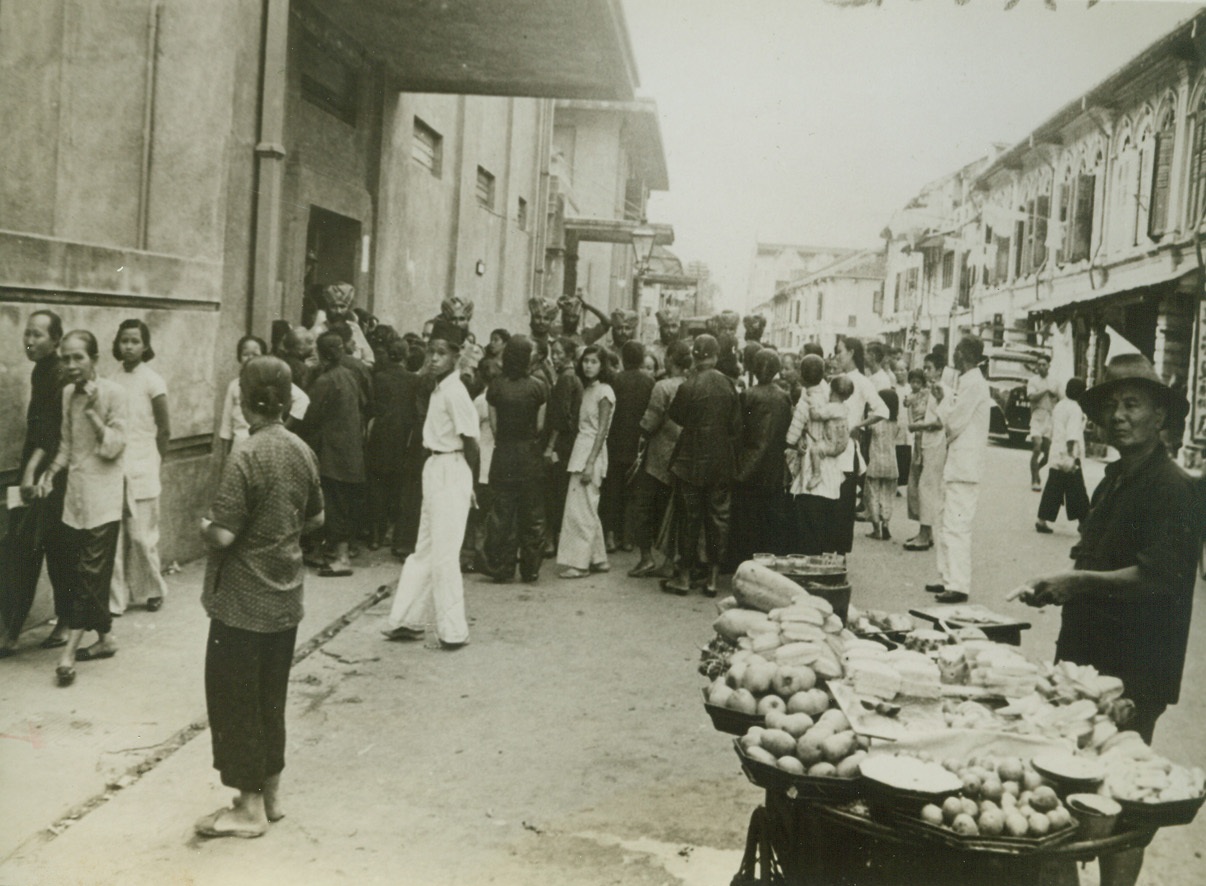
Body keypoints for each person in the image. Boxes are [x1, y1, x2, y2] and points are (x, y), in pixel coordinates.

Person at [1017, 353, 1198, 886]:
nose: (1118, 416)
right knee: (1076, 784)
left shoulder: (1175, 488)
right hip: (1086, 659)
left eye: (1132, 404)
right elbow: (1095, 559)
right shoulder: (1113, 479)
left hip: (1135, 668)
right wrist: (1060, 588)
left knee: (1120, 797)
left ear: (1161, 417)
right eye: (1111, 406)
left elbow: (1156, 579)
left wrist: (1076, 583)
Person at [195, 355, 324, 839]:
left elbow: (224, 536)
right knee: (271, 699)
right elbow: (315, 519)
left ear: (245, 404)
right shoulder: (301, 450)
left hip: (241, 604)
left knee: (235, 700)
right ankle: (270, 795)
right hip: (285, 598)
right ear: (289, 403)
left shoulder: (245, 455)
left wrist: (204, 526)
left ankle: (247, 810)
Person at [381, 320, 480, 648]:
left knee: (445, 554)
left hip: (453, 468)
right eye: (431, 352)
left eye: (442, 353)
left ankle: (452, 631)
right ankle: (405, 619)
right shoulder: (437, 388)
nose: (434, 359)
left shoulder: (456, 392)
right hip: (434, 468)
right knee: (424, 548)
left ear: (456, 356)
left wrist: (471, 483)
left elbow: (472, 442)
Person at [37, 330, 127, 687]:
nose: (71, 365)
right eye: (66, 358)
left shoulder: (115, 394)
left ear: (94, 359)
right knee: (81, 573)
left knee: (88, 576)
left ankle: (68, 654)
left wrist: (92, 413)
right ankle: (105, 639)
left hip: (104, 501)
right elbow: (66, 445)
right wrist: (50, 474)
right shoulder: (64, 395)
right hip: (75, 498)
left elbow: (113, 448)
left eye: (79, 358)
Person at [0, 311, 72, 655]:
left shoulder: (57, 375)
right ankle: (53, 621)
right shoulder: (40, 371)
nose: (29, 341)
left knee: (28, 548)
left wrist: (29, 474)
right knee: (31, 546)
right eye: (27, 334)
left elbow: (50, 433)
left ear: (56, 340)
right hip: (35, 470)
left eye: (38, 335)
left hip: (47, 476)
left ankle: (13, 633)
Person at [664, 334, 741, 596]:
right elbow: (735, 425)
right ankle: (712, 579)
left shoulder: (688, 385)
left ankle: (684, 577)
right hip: (721, 460)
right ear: (717, 356)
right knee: (719, 518)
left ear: (695, 357)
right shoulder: (728, 385)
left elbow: (676, 416)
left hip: (690, 460)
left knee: (689, 518)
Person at [109, 319, 171, 615]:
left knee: (142, 535)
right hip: (115, 463)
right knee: (115, 536)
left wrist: (157, 459)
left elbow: (164, 427)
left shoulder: (153, 381)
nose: (129, 346)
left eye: (135, 341)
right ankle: (115, 600)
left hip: (144, 462)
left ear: (145, 346)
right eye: (124, 341)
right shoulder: (111, 379)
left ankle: (153, 589)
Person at [927, 336, 991, 604]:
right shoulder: (967, 382)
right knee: (946, 523)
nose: (952, 356)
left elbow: (953, 422)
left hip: (965, 467)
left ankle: (958, 584)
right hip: (956, 465)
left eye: (956, 352)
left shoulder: (974, 383)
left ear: (963, 354)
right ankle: (947, 576)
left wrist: (942, 403)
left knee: (956, 526)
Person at [299, 331, 368, 577]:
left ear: (322, 354)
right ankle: (336, 553)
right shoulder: (350, 376)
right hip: (351, 451)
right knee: (344, 504)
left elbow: (309, 415)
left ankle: (340, 558)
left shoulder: (325, 381)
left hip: (333, 454)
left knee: (334, 505)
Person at [483, 336, 548, 582]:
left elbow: (495, 427)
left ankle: (503, 566)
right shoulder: (538, 386)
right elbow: (540, 426)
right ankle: (531, 568)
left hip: (504, 456)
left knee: (503, 514)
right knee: (532, 514)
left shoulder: (496, 387)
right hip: (529, 456)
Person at [628, 341, 691, 578]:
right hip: (682, 457)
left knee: (643, 506)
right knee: (673, 511)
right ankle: (669, 560)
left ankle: (646, 558)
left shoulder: (662, 387)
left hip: (657, 457)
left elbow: (649, 422)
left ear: (671, 360)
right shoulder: (691, 384)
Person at [727, 349, 793, 568]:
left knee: (747, 516)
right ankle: (768, 560)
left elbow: (737, 430)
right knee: (769, 516)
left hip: (749, 463)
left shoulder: (748, 395)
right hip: (773, 464)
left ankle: (744, 560)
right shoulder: (783, 396)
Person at [556, 345, 615, 579]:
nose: (588, 365)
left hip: (591, 453)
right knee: (584, 507)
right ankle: (598, 558)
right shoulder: (587, 389)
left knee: (580, 511)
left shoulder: (605, 392)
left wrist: (590, 462)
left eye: (594, 362)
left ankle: (579, 564)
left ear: (603, 365)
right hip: (580, 450)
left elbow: (602, 431)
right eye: (586, 361)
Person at [786, 362, 850, 556]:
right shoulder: (831, 392)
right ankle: (827, 561)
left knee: (809, 520)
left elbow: (791, 437)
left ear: (803, 377)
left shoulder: (806, 400)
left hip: (813, 463)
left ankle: (810, 564)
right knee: (828, 517)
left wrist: (797, 437)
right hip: (832, 462)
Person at [365, 338, 423, 552]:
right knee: (398, 488)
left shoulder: (378, 377)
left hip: (380, 436)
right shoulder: (413, 380)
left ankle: (375, 536)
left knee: (377, 487)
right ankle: (394, 535)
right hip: (403, 437)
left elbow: (372, 406)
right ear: (407, 356)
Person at [832, 337, 888, 554]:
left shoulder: (863, 382)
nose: (837, 356)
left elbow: (882, 411)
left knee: (844, 506)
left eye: (840, 352)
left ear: (852, 353)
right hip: (832, 448)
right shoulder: (836, 380)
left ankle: (840, 556)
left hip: (847, 451)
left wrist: (858, 425)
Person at [602, 341, 655, 553]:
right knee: (633, 493)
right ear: (642, 359)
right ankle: (628, 537)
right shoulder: (649, 381)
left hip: (615, 442)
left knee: (612, 491)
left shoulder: (615, 379)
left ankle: (610, 536)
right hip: (637, 444)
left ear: (623, 358)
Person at [541, 336, 583, 556]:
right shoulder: (568, 377)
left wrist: (550, 446)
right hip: (566, 443)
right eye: (553, 353)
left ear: (568, 355)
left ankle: (551, 539)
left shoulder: (566, 379)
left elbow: (561, 416)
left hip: (561, 444)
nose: (554, 357)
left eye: (559, 353)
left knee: (554, 492)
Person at [1035, 378, 1091, 534]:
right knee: (1078, 490)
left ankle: (1042, 520)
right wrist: (1071, 457)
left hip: (1056, 451)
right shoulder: (1075, 409)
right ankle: (1084, 522)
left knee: (1054, 488)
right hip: (1068, 454)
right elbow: (1072, 435)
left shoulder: (1060, 406)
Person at [903, 361, 946, 552]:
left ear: (939, 369)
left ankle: (924, 533)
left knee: (926, 488)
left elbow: (939, 422)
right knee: (919, 486)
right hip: (925, 443)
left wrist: (917, 426)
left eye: (930, 368)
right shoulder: (927, 392)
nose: (926, 371)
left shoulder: (940, 391)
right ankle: (925, 533)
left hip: (934, 443)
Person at [865, 389, 899, 541]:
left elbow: (866, 429)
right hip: (892, 463)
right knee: (888, 495)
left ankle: (876, 528)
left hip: (875, 462)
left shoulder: (874, 421)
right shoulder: (895, 423)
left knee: (873, 494)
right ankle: (886, 524)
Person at [1027, 354, 1060, 491]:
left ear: (1049, 366)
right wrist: (1045, 390)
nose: (1041, 367)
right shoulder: (1033, 381)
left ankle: (1036, 470)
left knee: (1047, 455)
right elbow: (1031, 397)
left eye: (1044, 364)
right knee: (1037, 447)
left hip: (1049, 418)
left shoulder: (1055, 381)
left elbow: (1060, 398)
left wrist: (1054, 395)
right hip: (1037, 416)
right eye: (1039, 364)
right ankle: (1035, 480)